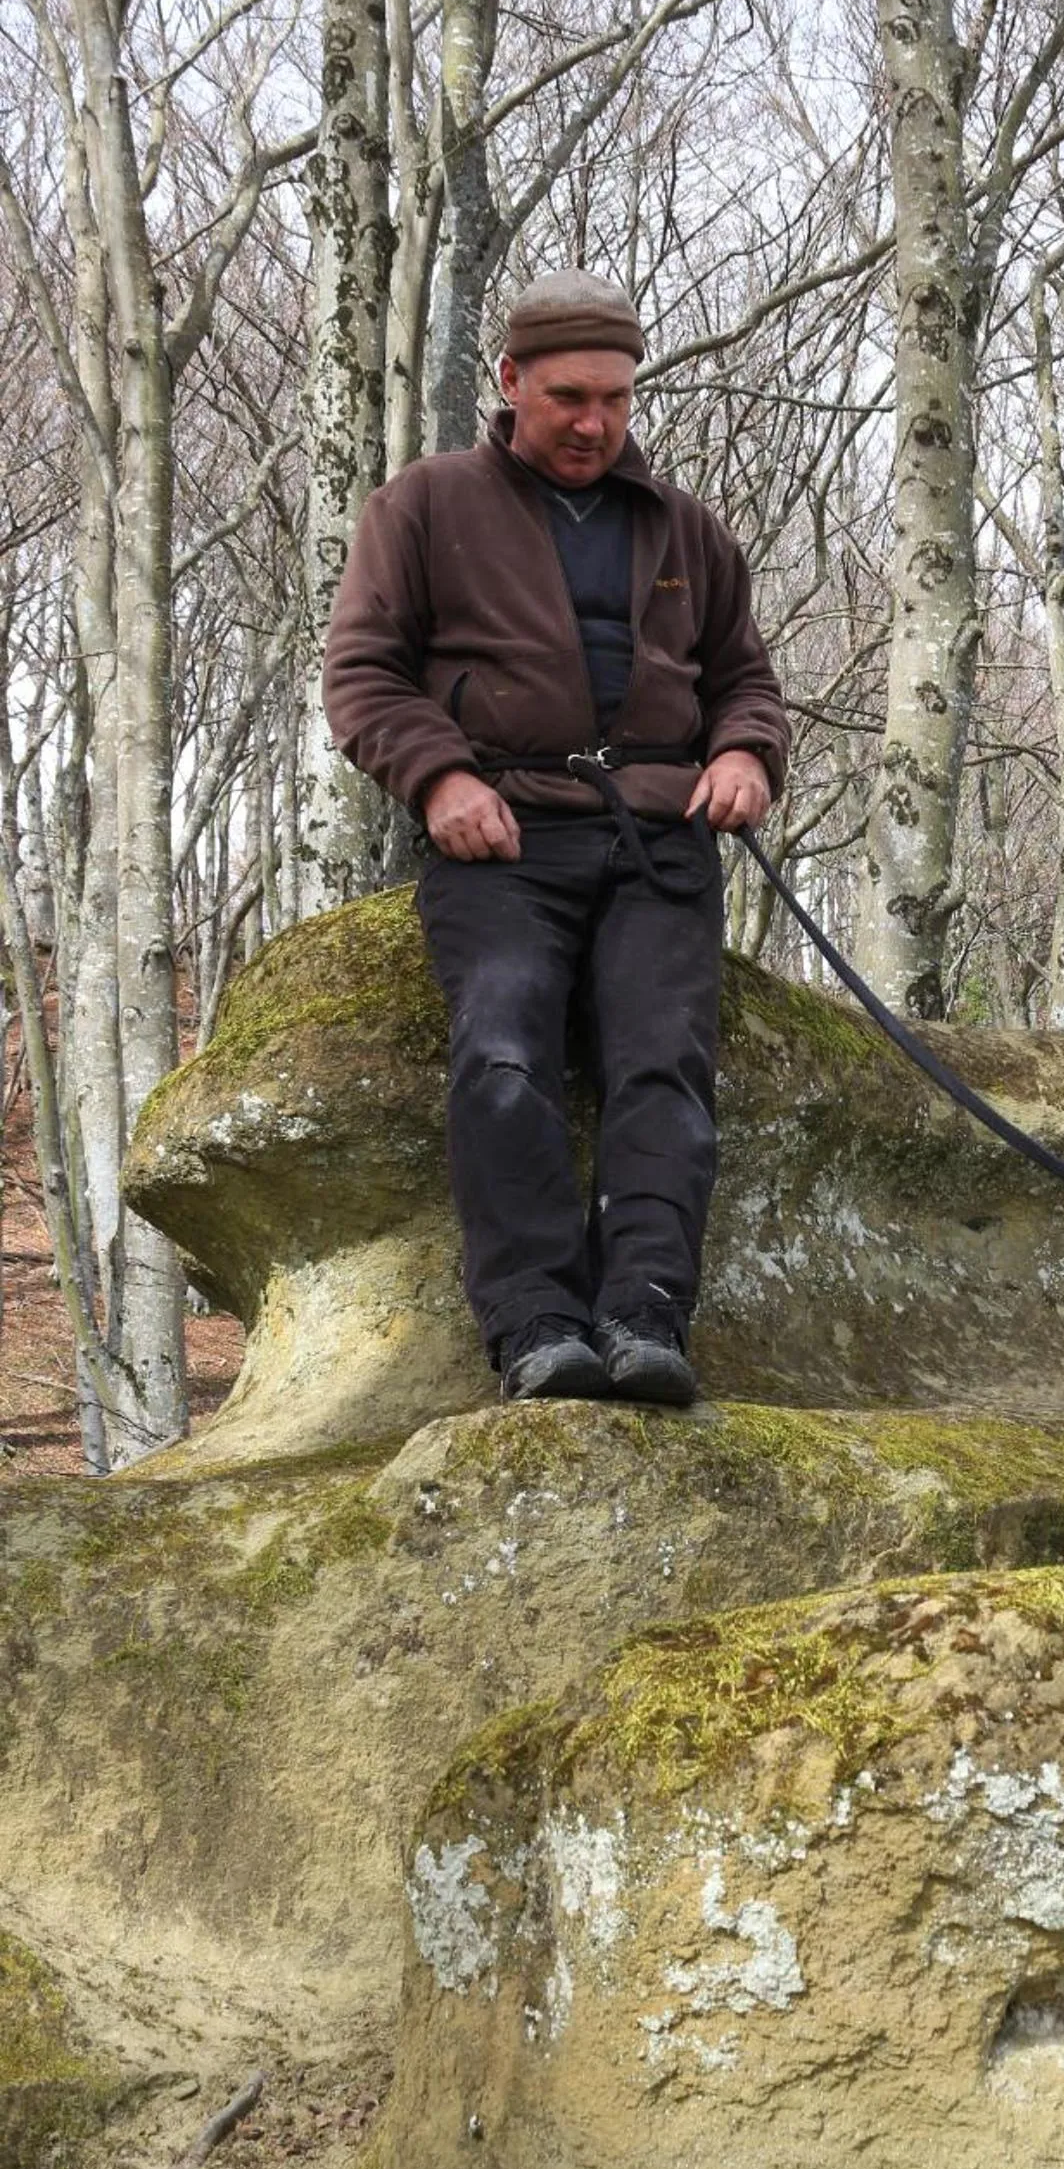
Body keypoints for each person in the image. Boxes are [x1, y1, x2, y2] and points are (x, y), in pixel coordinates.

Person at [323, 268, 788, 1407]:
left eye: (617, 400)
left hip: (657, 840)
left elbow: (747, 684)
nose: (595, 423)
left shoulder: (687, 528)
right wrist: (437, 779)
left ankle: (644, 1316)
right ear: (510, 382)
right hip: (501, 837)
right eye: (571, 397)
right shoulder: (423, 506)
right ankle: (535, 1322)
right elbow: (362, 675)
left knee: (663, 1063)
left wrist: (741, 757)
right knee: (502, 1050)